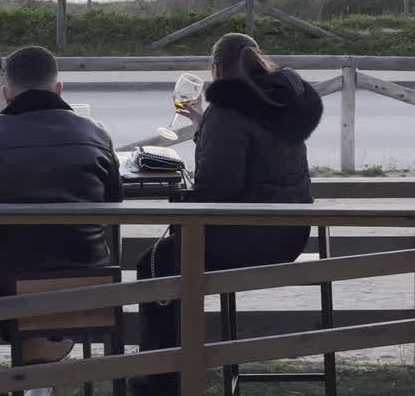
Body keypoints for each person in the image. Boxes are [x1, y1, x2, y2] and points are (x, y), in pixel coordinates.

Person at [129, 33, 322, 396]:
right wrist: (206, 127)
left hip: (246, 237)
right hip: (289, 234)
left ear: (214, 68)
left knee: (154, 264)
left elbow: (217, 188)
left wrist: (182, 204)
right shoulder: (279, 101)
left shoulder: (229, 110)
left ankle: (161, 379)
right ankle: (172, 368)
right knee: (167, 259)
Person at [0, 45, 123, 372]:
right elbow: (114, 204)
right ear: (59, 89)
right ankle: (39, 377)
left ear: (6, 95)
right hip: (90, 279)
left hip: (9, 284)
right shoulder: (96, 133)